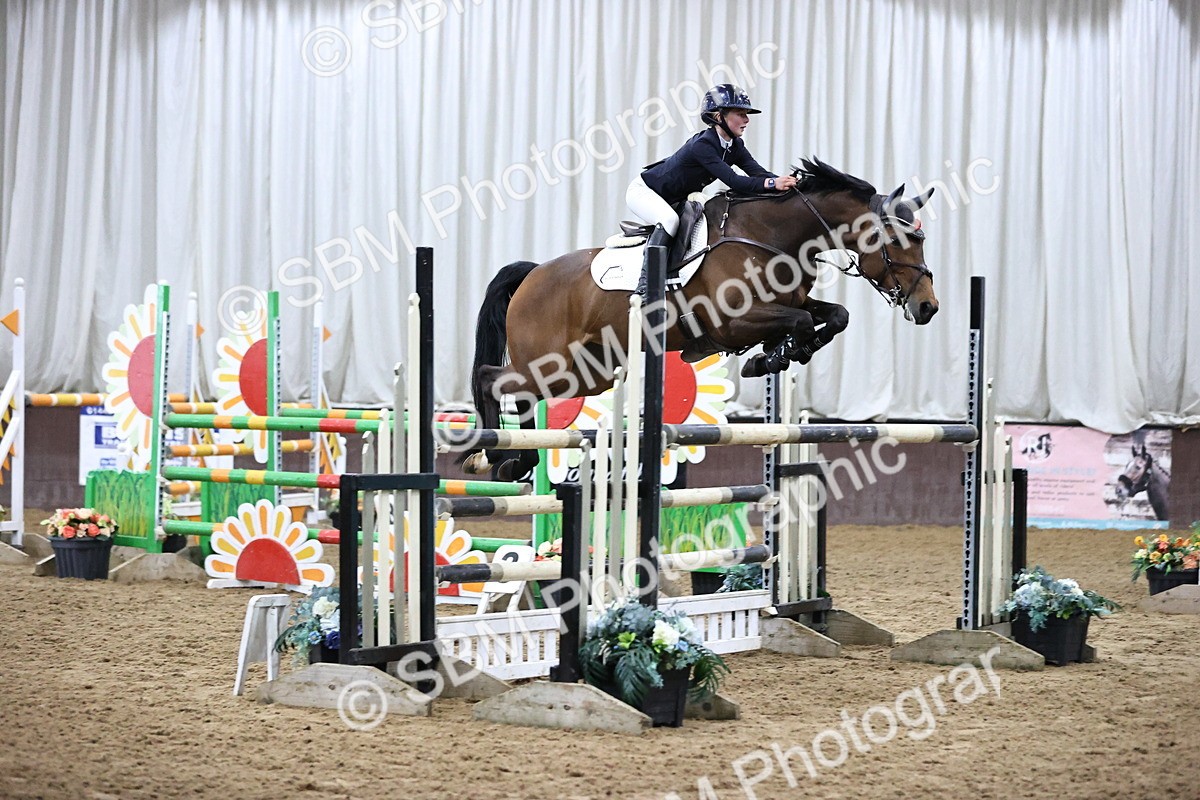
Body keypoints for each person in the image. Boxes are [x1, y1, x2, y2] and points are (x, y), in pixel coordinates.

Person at [625, 83, 798, 275]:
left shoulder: (735, 145)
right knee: (669, 220)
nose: (747, 119)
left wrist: (789, 184)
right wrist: (773, 184)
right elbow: (734, 181)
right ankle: (647, 285)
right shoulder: (703, 145)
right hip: (643, 192)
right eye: (740, 113)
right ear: (718, 116)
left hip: (674, 197)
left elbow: (758, 173)